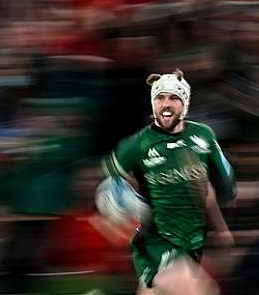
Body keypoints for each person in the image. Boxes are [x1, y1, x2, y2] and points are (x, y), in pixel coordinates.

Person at [100, 69, 236, 295]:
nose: (166, 104)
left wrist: (221, 229)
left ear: (185, 103)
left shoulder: (203, 136)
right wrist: (116, 213)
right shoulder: (137, 144)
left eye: (173, 98)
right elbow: (108, 184)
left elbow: (218, 188)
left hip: (191, 240)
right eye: (160, 97)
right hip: (157, 240)